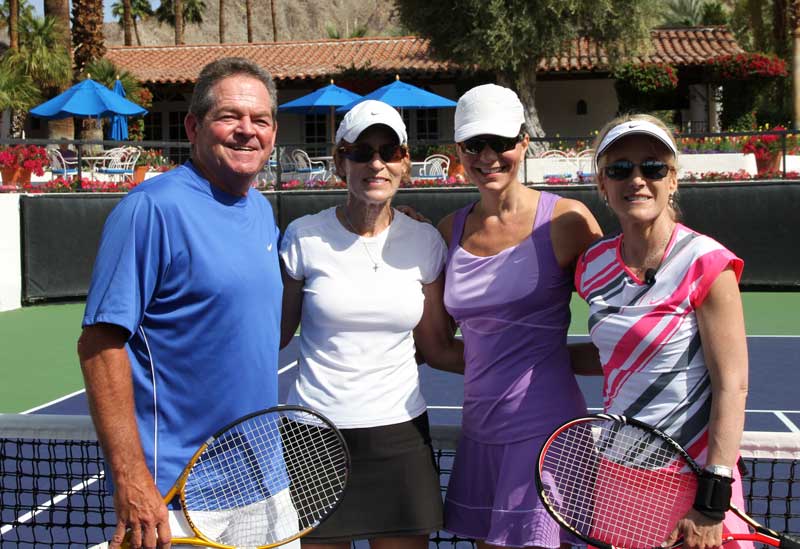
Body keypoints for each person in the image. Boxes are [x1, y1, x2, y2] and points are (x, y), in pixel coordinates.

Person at [77, 57, 286, 549]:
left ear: (274, 132)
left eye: (260, 120)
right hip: (176, 498)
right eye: (229, 116)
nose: (246, 131)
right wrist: (131, 479)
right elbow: (99, 345)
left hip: (265, 486)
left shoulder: (259, 208)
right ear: (194, 126)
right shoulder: (150, 210)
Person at [279, 99, 463, 549]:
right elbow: (274, 335)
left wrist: (526, 367)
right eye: (361, 152)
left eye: (388, 151)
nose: (375, 163)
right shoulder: (303, 237)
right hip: (314, 436)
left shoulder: (424, 242)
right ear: (341, 161)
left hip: (400, 435)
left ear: (405, 162)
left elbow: (437, 347)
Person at [574, 114, 751, 549]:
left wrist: (713, 496)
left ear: (673, 180)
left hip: (694, 478)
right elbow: (617, 356)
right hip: (618, 475)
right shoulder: (590, 266)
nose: (636, 179)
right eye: (619, 169)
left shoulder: (706, 261)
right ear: (602, 185)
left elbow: (733, 384)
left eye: (652, 167)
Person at [438, 83, 602, 549]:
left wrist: (549, 359)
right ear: (459, 151)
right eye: (475, 144)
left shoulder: (568, 222)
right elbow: (437, 343)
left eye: (502, 143)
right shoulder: (448, 229)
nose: (488, 156)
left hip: (547, 431)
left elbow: (621, 327)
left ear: (524, 142)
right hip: (479, 430)